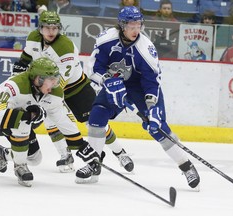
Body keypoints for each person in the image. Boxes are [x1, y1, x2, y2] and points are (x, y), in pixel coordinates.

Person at [75, 6, 200, 189]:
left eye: (138, 25)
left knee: (158, 128)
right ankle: (94, 163)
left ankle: (186, 166)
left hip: (140, 89)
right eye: (132, 25)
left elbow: (152, 81)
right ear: (122, 26)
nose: (136, 29)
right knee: (97, 115)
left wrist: (152, 107)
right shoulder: (105, 39)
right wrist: (107, 81)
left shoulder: (146, 48)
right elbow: (94, 66)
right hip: (115, 83)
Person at [12, 11, 134, 172]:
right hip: (47, 85)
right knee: (51, 120)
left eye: (55, 28)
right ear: (40, 29)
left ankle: (120, 153)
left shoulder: (65, 48)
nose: (51, 32)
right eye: (47, 28)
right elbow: (26, 58)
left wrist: (44, 98)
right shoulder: (33, 38)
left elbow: (59, 82)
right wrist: (19, 72)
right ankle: (65, 155)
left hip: (76, 88)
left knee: (95, 123)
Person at [0, 57, 83, 186]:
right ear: (38, 79)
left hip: (16, 116)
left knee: (35, 158)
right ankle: (19, 167)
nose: (54, 84)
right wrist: (26, 117)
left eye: (55, 79)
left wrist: (80, 144)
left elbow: (62, 119)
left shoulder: (49, 90)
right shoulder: (14, 85)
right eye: (51, 80)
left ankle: (3, 154)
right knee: (23, 122)